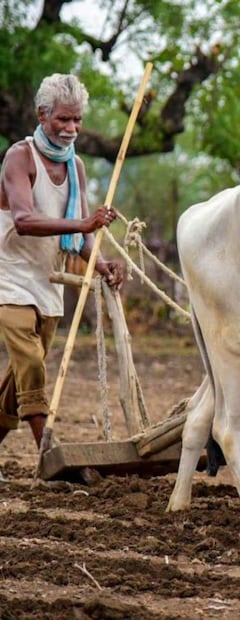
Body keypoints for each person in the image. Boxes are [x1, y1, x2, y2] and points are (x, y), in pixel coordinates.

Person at [0, 73, 124, 479]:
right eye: (63, 120)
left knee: (20, 377)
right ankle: (52, 457)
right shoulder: (20, 157)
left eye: (78, 121)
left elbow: (80, 232)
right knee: (32, 363)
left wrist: (100, 264)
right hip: (9, 276)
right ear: (43, 115)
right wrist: (83, 225)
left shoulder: (76, 168)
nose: (71, 129)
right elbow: (23, 220)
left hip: (47, 281)